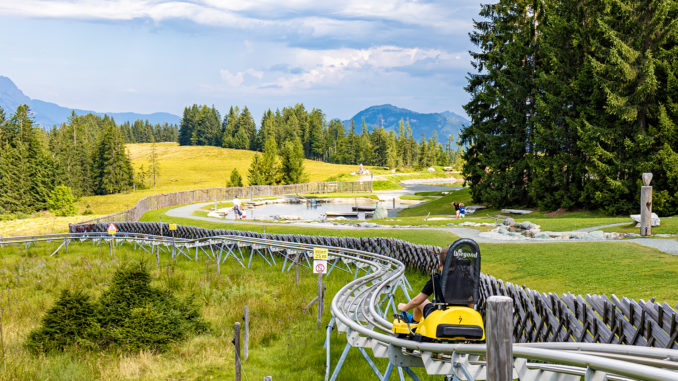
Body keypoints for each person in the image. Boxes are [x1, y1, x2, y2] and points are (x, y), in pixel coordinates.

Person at [397, 248, 447, 322]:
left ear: (440, 264)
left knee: (421, 302)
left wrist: (404, 308)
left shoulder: (436, 279)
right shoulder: (467, 280)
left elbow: (416, 301)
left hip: (440, 318)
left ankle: (414, 321)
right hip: (463, 316)